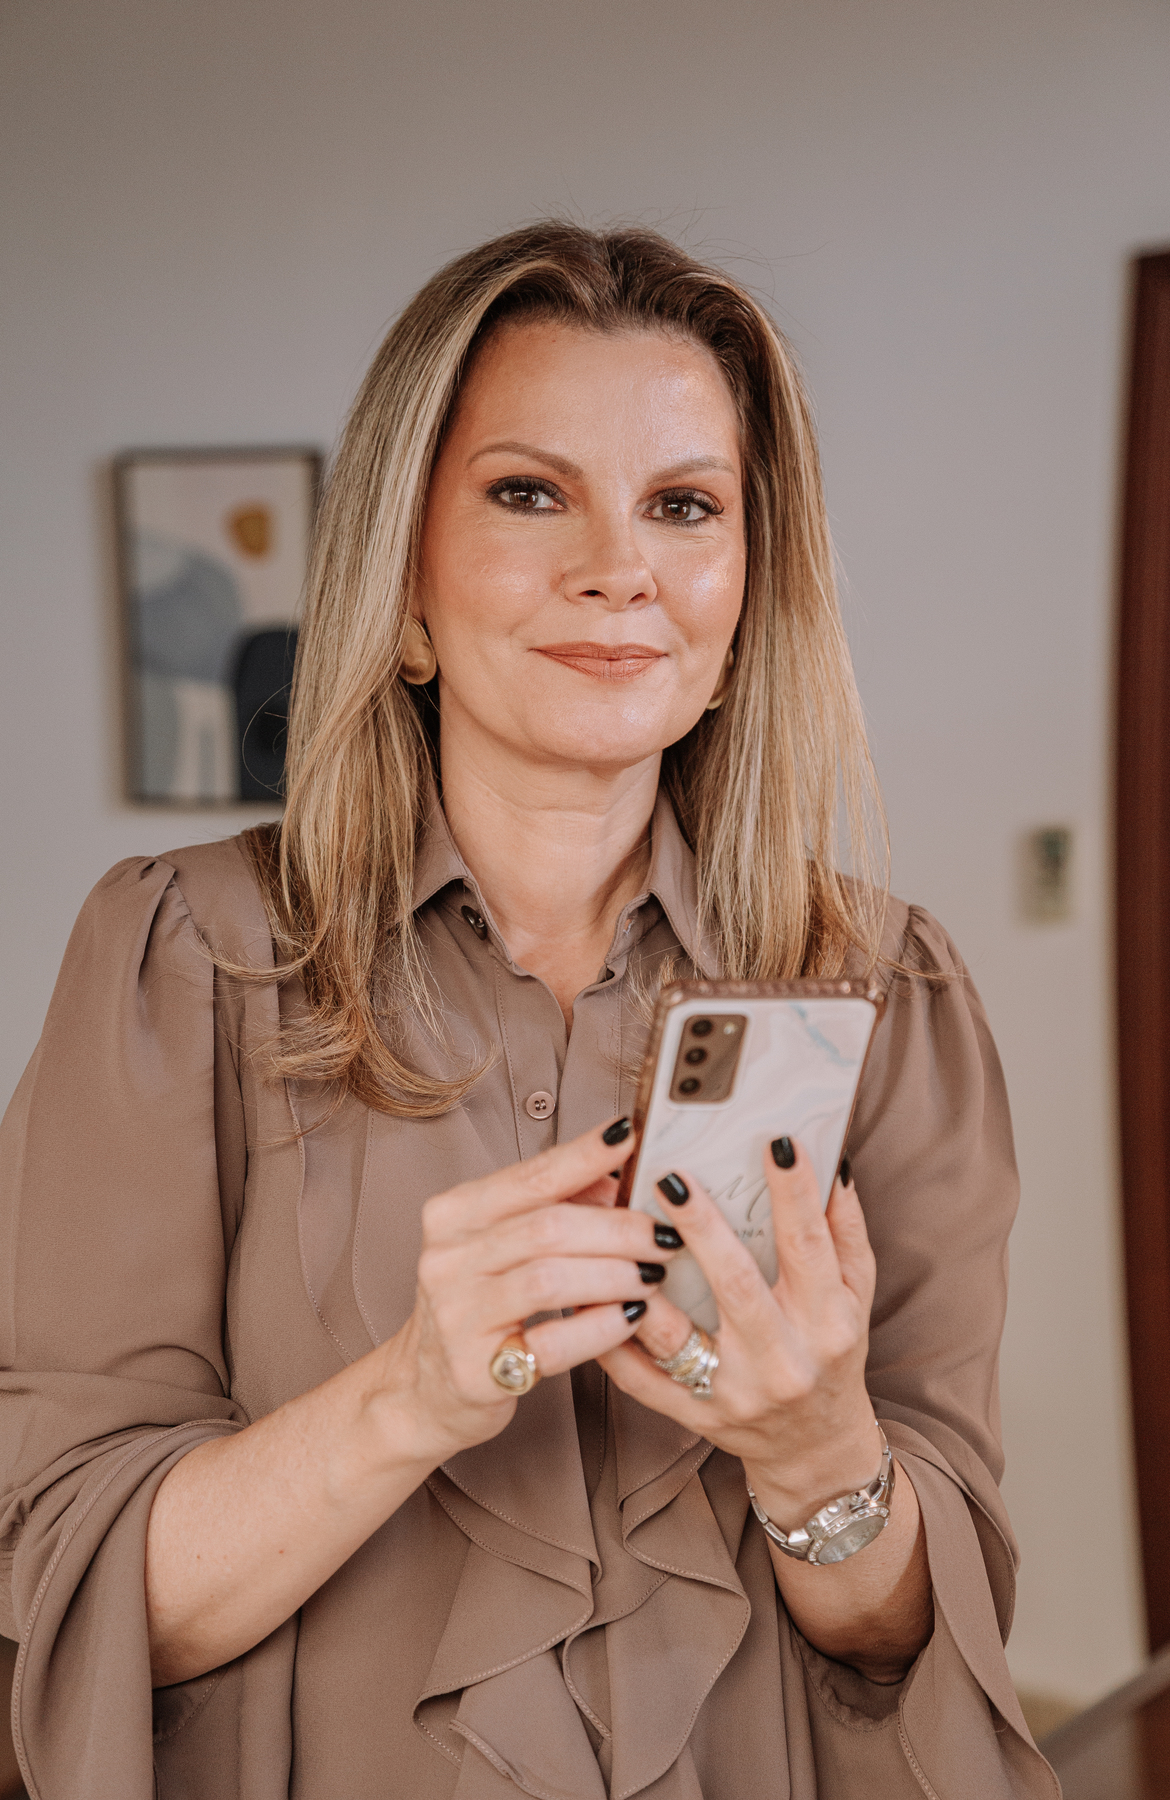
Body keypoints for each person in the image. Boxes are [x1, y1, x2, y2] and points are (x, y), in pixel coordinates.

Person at [0, 224, 1057, 1799]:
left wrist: (817, 1453)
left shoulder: (889, 993)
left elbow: (905, 1645)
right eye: (528, 492)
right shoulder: (181, 959)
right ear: (405, 585)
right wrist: (409, 1396)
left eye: (684, 506)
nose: (618, 565)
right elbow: (70, 1594)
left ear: (742, 602)